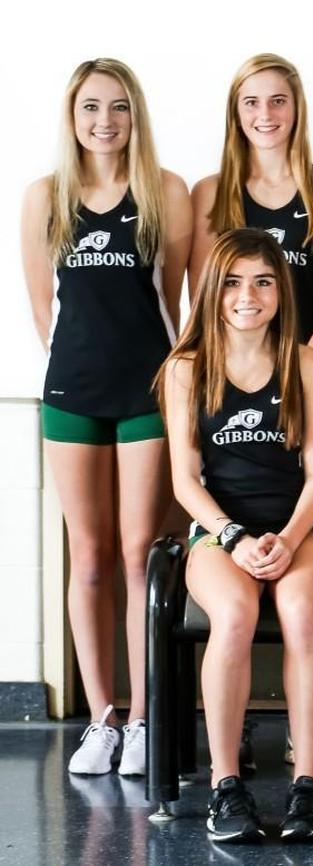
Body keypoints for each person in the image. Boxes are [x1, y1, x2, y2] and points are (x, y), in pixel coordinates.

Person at [20, 58, 191, 777]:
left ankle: (147, 717)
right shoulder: (44, 197)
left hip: (145, 395)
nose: (104, 122)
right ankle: (101, 718)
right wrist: (74, 373)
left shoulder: (166, 193)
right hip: (72, 395)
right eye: (91, 108)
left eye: (118, 108)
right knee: (87, 557)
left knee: (135, 554)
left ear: (134, 116)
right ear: (72, 115)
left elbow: (174, 303)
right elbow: (42, 309)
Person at [160, 228, 313, 843]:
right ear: (212, 291)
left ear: (280, 291)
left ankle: (307, 786)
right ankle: (225, 787)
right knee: (234, 614)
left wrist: (288, 538)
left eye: (263, 280)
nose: (248, 294)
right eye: (234, 281)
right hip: (219, 532)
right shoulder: (187, 368)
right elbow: (185, 482)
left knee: (298, 610)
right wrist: (234, 537)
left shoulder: (307, 363)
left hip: (299, 527)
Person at [191, 53, 313, 350]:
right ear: (235, 112)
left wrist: (307, 362)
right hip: (234, 367)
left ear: (297, 108)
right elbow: (202, 298)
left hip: (309, 357)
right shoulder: (210, 192)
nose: (266, 114)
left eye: (278, 101)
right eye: (251, 102)